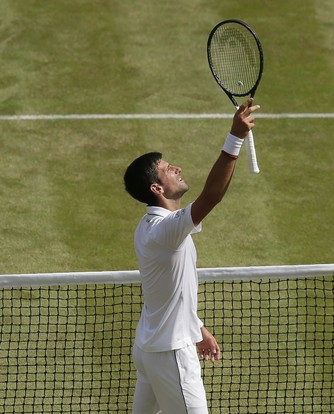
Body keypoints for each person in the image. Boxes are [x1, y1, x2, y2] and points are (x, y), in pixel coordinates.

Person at [123, 98, 260, 414]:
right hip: (170, 354)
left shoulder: (148, 227)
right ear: (157, 188)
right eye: (167, 169)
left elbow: (168, 292)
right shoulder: (165, 230)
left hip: (149, 348)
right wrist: (234, 137)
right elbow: (212, 196)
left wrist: (196, 327)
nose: (177, 168)